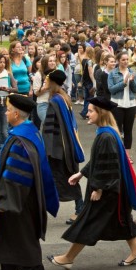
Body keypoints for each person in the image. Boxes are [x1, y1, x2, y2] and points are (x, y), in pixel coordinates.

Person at [48, 96, 136, 270]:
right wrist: (81, 173)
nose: (87, 113)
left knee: (88, 221)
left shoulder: (106, 136)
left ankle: (68, 257)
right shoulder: (107, 133)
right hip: (115, 188)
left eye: (91, 110)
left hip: (108, 190)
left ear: (101, 113)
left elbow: (109, 165)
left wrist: (99, 188)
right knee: (122, 219)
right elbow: (98, 160)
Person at [0, 94, 59, 270]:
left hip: (21, 197)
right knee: (8, 230)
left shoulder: (21, 140)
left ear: (17, 114)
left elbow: (16, 176)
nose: (6, 112)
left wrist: (4, 200)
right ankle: (9, 266)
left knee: (23, 235)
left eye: (8, 109)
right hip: (26, 194)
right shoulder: (29, 132)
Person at [40, 70, 85, 223]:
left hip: (58, 149)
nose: (45, 84)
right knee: (65, 178)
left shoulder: (55, 101)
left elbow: (51, 129)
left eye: (47, 81)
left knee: (65, 178)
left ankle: (80, 209)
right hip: (67, 145)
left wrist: (46, 149)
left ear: (52, 82)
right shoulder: (64, 97)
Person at [108, 52, 136, 151]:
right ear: (118, 61)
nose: (126, 62)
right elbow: (111, 89)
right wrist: (124, 82)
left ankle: (127, 155)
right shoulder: (112, 73)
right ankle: (117, 153)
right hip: (117, 105)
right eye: (123, 60)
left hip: (130, 104)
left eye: (127, 59)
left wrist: (132, 81)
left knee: (128, 131)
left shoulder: (132, 72)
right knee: (117, 130)